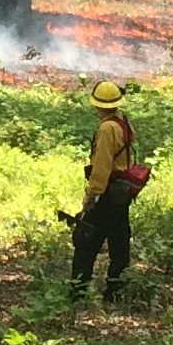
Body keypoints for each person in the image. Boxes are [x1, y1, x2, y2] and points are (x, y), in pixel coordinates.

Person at [69, 80, 144, 303]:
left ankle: (77, 293)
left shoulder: (106, 128)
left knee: (86, 243)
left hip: (106, 196)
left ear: (97, 105)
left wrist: (91, 196)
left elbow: (102, 167)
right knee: (119, 244)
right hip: (121, 196)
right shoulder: (123, 124)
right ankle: (115, 293)